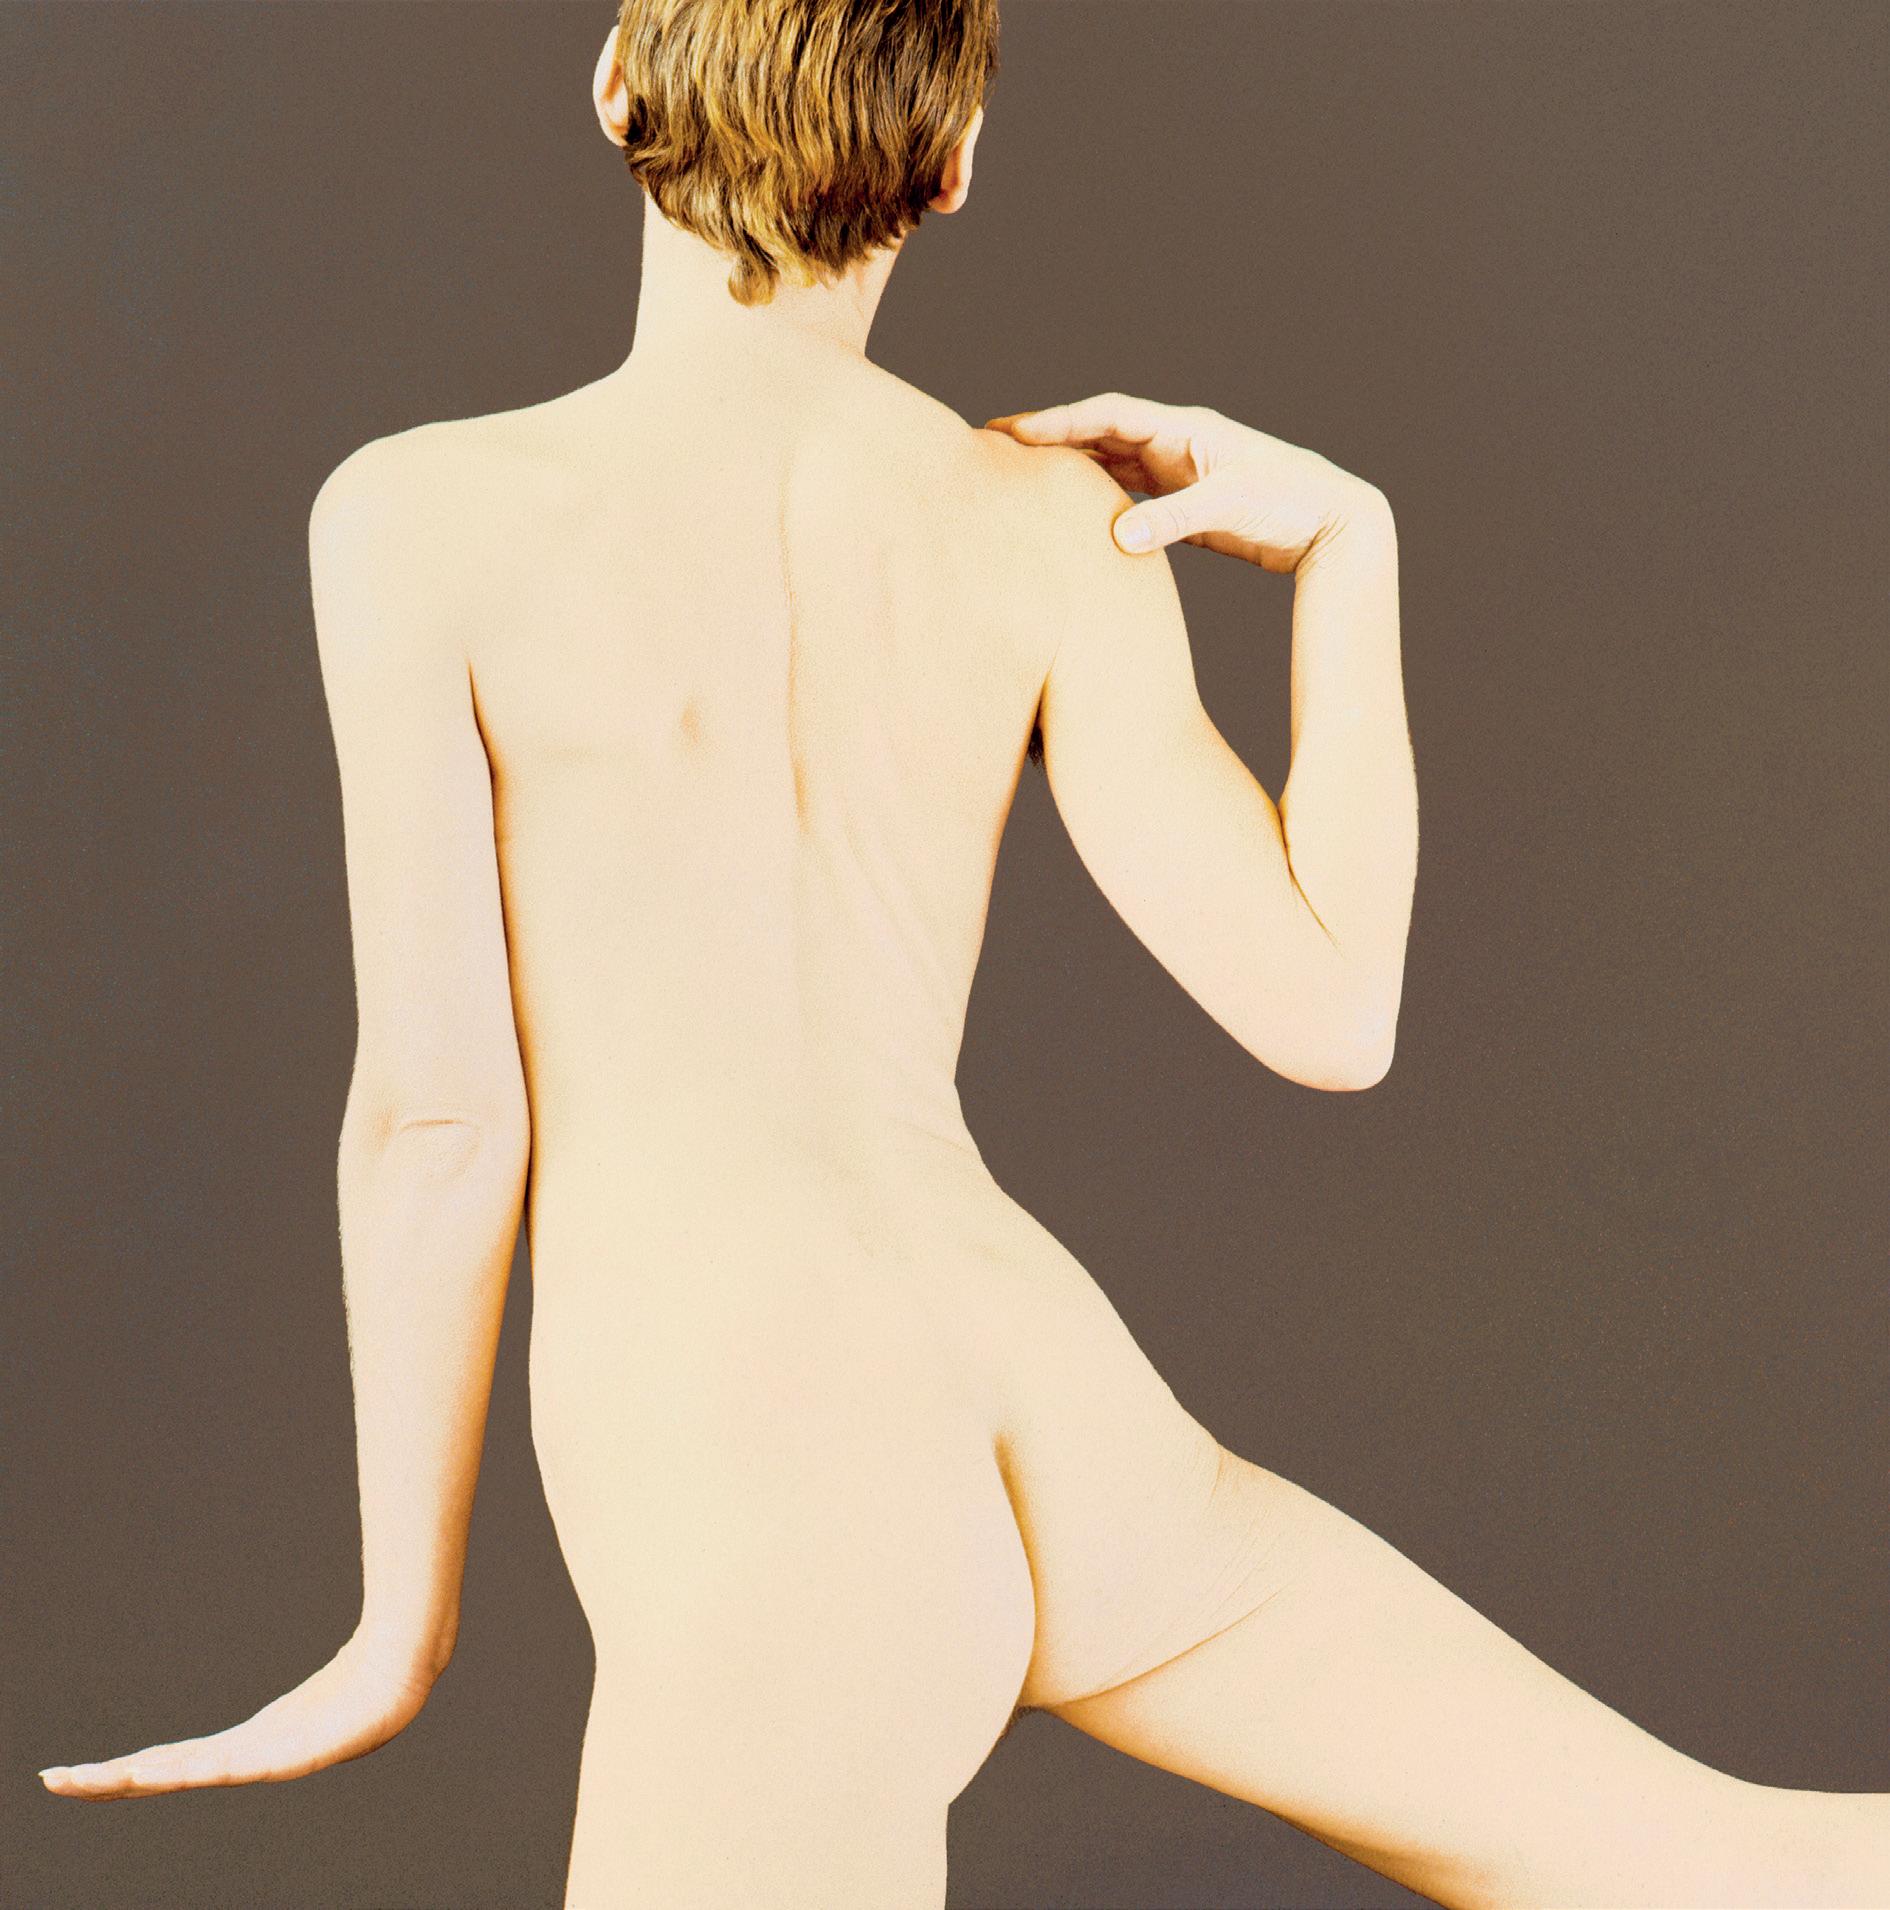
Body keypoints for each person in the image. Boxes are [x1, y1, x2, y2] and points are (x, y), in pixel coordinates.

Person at [38, 3, 1890, 1906]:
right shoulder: (1044, 525)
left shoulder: (418, 516)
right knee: (1739, 1865)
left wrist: (397, 1628)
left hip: (768, 1447)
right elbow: (1335, 1008)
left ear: (613, 78)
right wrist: (1352, 549)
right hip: (1054, 1398)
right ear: (952, 166)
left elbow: (439, 1123)